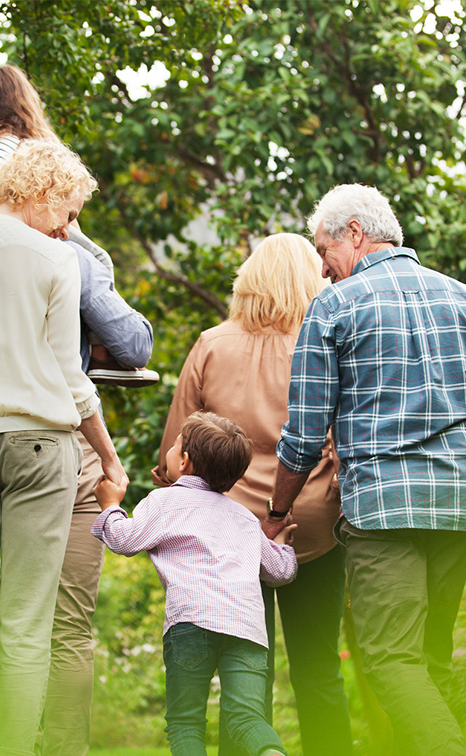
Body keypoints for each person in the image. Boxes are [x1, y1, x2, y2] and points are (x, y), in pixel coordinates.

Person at [0, 65, 156, 756]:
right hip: (44, 441)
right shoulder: (60, 254)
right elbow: (100, 357)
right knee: (42, 622)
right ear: (49, 193)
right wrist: (110, 454)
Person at [265, 184, 466, 756]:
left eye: (323, 250)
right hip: (458, 509)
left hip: (382, 511)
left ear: (355, 234)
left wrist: (277, 511)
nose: (320, 267)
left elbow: (305, 434)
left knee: (390, 660)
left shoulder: (333, 308)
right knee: (427, 663)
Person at [154, 233, 352, 756]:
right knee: (319, 668)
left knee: (245, 676)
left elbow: (175, 453)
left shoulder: (211, 345)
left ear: (248, 279)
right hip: (313, 526)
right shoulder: (325, 342)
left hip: (230, 536)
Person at [0, 64, 158, 388]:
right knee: (95, 258)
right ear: (23, 103)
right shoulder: (24, 147)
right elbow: (44, 200)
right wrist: (69, 227)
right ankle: (101, 352)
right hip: (13, 230)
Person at [94, 411, 297, 756]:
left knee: (186, 722)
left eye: (174, 447)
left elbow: (124, 540)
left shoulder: (163, 502)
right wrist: (283, 549)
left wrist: (111, 506)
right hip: (246, 627)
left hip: (191, 622)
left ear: (184, 461)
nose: (170, 453)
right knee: (247, 717)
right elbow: (279, 572)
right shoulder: (244, 518)